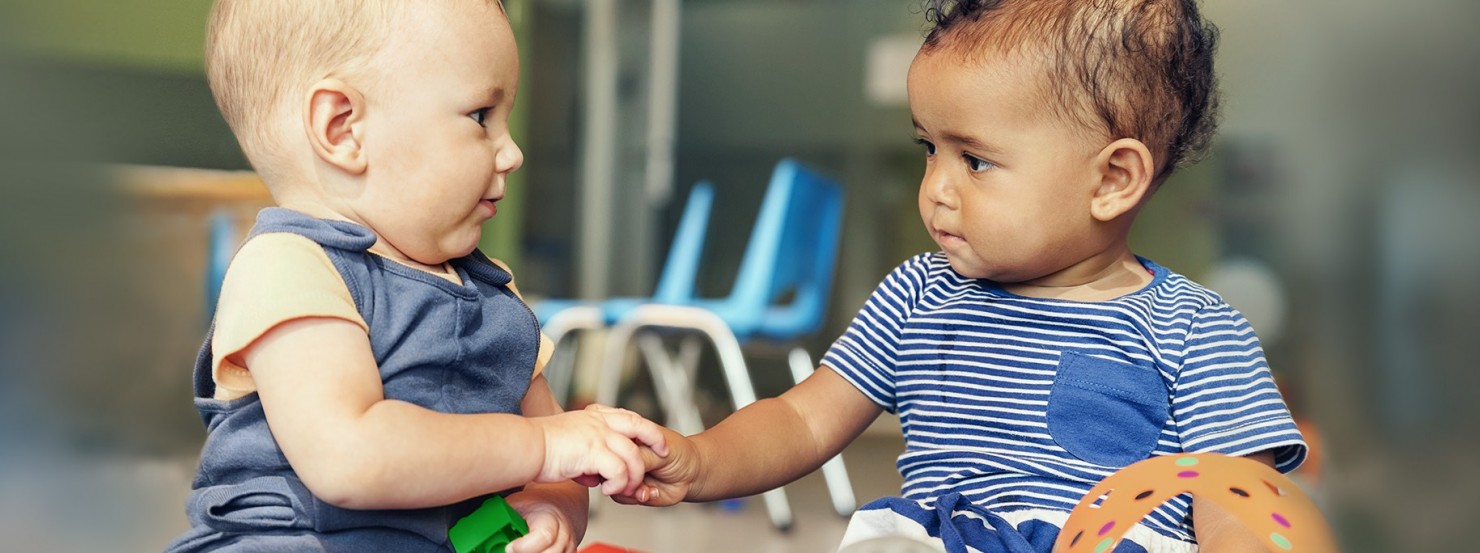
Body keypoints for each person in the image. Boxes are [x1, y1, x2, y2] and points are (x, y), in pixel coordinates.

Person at [620, 0, 1307, 551]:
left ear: (1113, 179)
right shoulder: (918, 294)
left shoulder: (1197, 328)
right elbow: (801, 419)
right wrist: (700, 459)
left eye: (974, 160)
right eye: (928, 148)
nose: (937, 189)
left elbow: (1231, 495)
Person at [165, 1, 667, 552]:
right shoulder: (288, 267)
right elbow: (350, 456)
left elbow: (558, 463)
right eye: (480, 116)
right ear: (343, 128)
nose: (513, 152)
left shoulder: (493, 293)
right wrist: (544, 445)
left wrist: (552, 504)